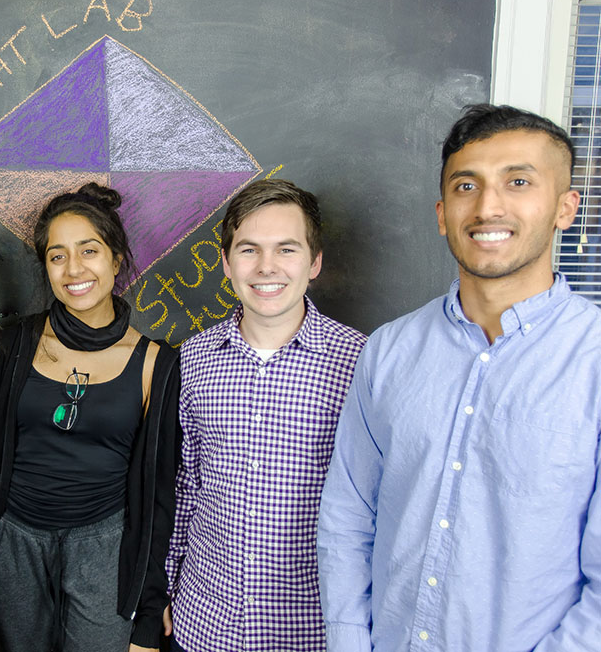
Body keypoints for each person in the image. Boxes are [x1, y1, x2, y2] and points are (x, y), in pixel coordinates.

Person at [316, 104, 601, 651]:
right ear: (443, 213)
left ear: (566, 207)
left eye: (518, 181)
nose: (488, 206)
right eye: (467, 185)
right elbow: (349, 518)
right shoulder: (389, 350)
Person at [0, 183, 181, 652]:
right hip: (13, 543)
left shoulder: (156, 363)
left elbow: (159, 497)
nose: (74, 269)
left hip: (106, 548)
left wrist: (147, 613)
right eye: (57, 256)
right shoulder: (8, 348)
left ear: (117, 260)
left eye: (89, 251)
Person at [165, 179, 366, 651]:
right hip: (204, 622)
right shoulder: (191, 360)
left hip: (311, 630)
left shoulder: (360, 363)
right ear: (226, 263)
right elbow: (184, 486)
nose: (267, 267)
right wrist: (165, 588)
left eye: (287, 249)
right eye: (249, 249)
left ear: (314, 262)